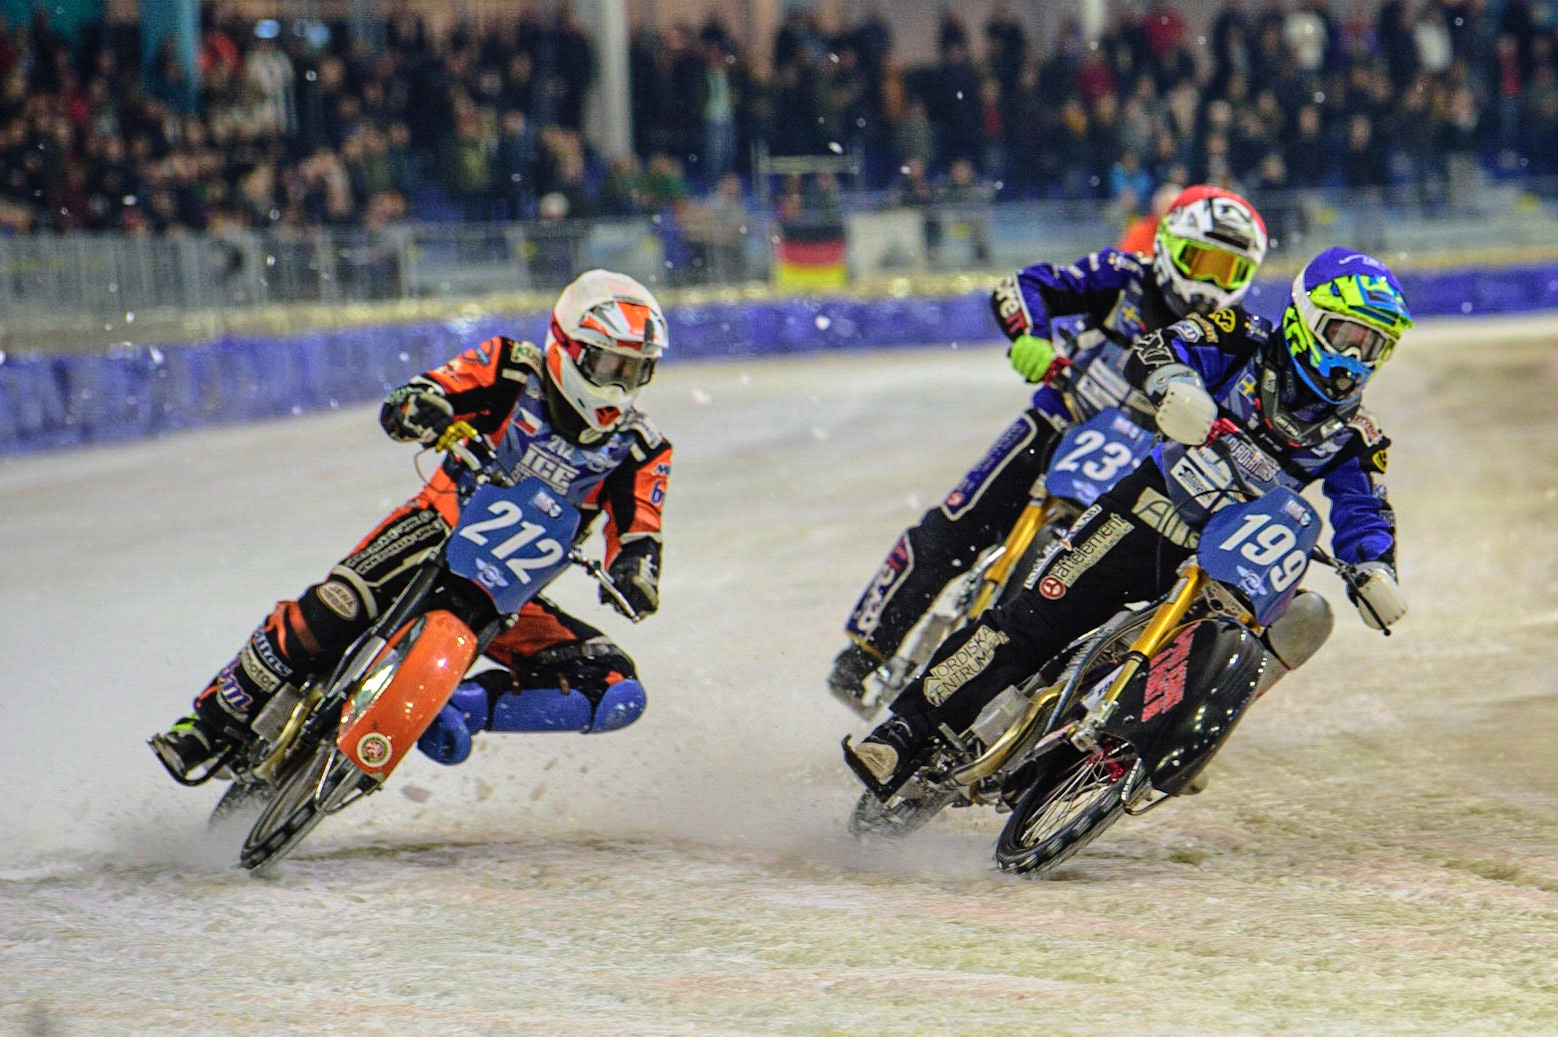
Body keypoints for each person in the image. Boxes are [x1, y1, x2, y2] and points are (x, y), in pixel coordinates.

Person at [844, 247, 1412, 798]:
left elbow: (1366, 509)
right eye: (1348, 336)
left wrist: (1375, 567)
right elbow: (1160, 349)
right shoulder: (1242, 337)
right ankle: (904, 732)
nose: (1356, 359)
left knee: (1297, 622)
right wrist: (1178, 386)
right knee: (1028, 623)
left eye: (1375, 347)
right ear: (1308, 319)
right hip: (1145, 511)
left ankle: (1183, 735)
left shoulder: (1358, 437)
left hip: (1233, 564)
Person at [151, 270, 673, 782]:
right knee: (336, 607)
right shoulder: (511, 369)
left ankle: (459, 706)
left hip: (509, 594)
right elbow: (430, 390)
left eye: (635, 371)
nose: (617, 387)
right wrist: (420, 408)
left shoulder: (641, 447)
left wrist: (636, 571)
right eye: (608, 366)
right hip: (434, 532)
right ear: (568, 347)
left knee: (616, 690)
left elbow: (640, 530)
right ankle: (210, 720)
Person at [827, 186, 1269, 712]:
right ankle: (865, 650)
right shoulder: (1121, 275)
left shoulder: (1233, 336)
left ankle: (1117, 710)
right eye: (1203, 262)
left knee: (1137, 588)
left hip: (1144, 466)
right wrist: (1029, 336)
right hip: (1061, 421)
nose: (1211, 285)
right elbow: (1026, 284)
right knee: (958, 524)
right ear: (1170, 246)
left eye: (1231, 273)